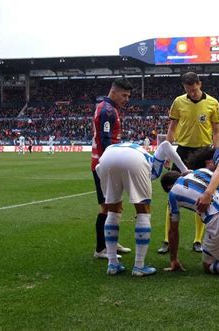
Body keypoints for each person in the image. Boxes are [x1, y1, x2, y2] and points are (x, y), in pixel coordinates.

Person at [97, 141, 189, 276]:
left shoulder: (142, 151)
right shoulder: (153, 163)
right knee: (143, 212)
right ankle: (139, 266)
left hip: (106, 158)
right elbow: (165, 145)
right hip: (133, 160)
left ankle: (112, 264)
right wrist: (184, 170)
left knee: (112, 211)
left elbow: (99, 168)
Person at [158, 71, 219, 254]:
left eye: (194, 89)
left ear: (199, 84)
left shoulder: (213, 103)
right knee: (173, 195)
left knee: (202, 196)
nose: (192, 93)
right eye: (188, 90)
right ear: (184, 88)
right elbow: (172, 128)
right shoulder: (178, 102)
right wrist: (168, 153)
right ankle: (167, 240)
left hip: (203, 152)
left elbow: (216, 131)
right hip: (182, 151)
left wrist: (216, 154)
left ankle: (198, 240)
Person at [91, 78, 133, 259]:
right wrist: (110, 164)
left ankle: (112, 243)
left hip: (106, 163)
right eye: (124, 95)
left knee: (116, 206)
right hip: (104, 165)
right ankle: (101, 249)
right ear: (113, 92)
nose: (126, 99)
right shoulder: (107, 110)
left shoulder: (109, 108)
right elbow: (105, 140)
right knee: (107, 208)